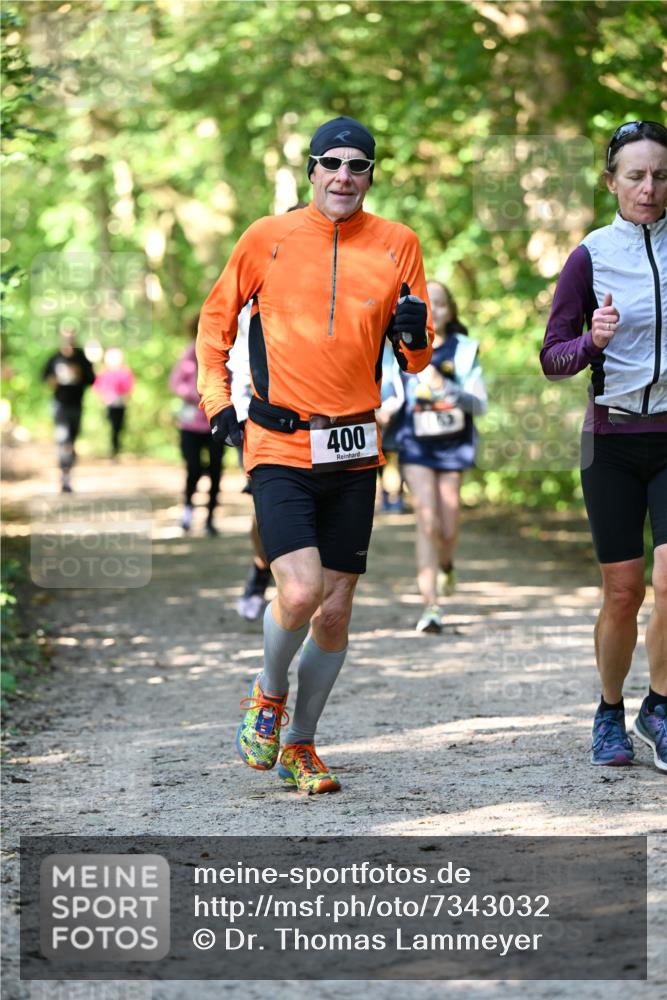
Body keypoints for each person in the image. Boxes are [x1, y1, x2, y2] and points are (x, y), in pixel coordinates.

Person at [197, 115, 433, 794]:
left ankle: (301, 745)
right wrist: (218, 406)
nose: (343, 177)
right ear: (310, 170)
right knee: (298, 591)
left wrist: (416, 337)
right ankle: (267, 695)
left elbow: (414, 362)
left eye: (357, 166)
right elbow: (214, 326)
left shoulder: (398, 245)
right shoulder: (266, 238)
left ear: (370, 175)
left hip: (355, 447)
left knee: (334, 609)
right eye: (330, 164)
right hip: (278, 441)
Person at [540, 120, 667, 772]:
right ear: (610, 181)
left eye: (659, 175)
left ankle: (661, 706)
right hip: (611, 441)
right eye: (635, 175)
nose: (648, 188)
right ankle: (608, 710)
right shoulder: (589, 256)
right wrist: (590, 342)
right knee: (621, 593)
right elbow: (551, 358)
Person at [395, 280, 487, 633]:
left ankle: (446, 565)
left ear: (452, 311)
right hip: (415, 445)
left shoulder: (464, 349)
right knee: (428, 521)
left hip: (452, 446)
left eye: (441, 304)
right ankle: (430, 607)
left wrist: (442, 386)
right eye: (428, 303)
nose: (435, 310)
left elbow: (479, 403)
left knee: (448, 526)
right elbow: (389, 387)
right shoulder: (400, 343)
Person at [228, 303, 274, 622]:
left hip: (311, 415)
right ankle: (261, 570)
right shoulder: (244, 294)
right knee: (264, 511)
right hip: (253, 418)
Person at [169, 316, 224, 537]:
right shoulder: (189, 353)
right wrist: (195, 394)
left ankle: (210, 518)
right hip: (190, 424)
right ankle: (188, 511)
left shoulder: (220, 351)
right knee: (193, 468)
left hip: (215, 422)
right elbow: (175, 382)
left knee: (216, 471)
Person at [42, 326, 95, 492]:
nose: (69, 341)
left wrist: (80, 375)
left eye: (71, 338)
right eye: (66, 338)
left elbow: (92, 379)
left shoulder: (81, 358)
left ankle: (68, 469)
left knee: (71, 442)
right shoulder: (54, 358)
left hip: (77, 405)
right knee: (61, 439)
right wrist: (53, 380)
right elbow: (44, 377)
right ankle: (64, 478)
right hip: (59, 405)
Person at [92, 347, 134, 458]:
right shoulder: (105, 372)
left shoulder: (125, 372)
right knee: (111, 425)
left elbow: (128, 388)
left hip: (120, 404)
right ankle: (112, 448)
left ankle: (115, 449)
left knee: (118, 427)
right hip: (109, 404)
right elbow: (97, 387)